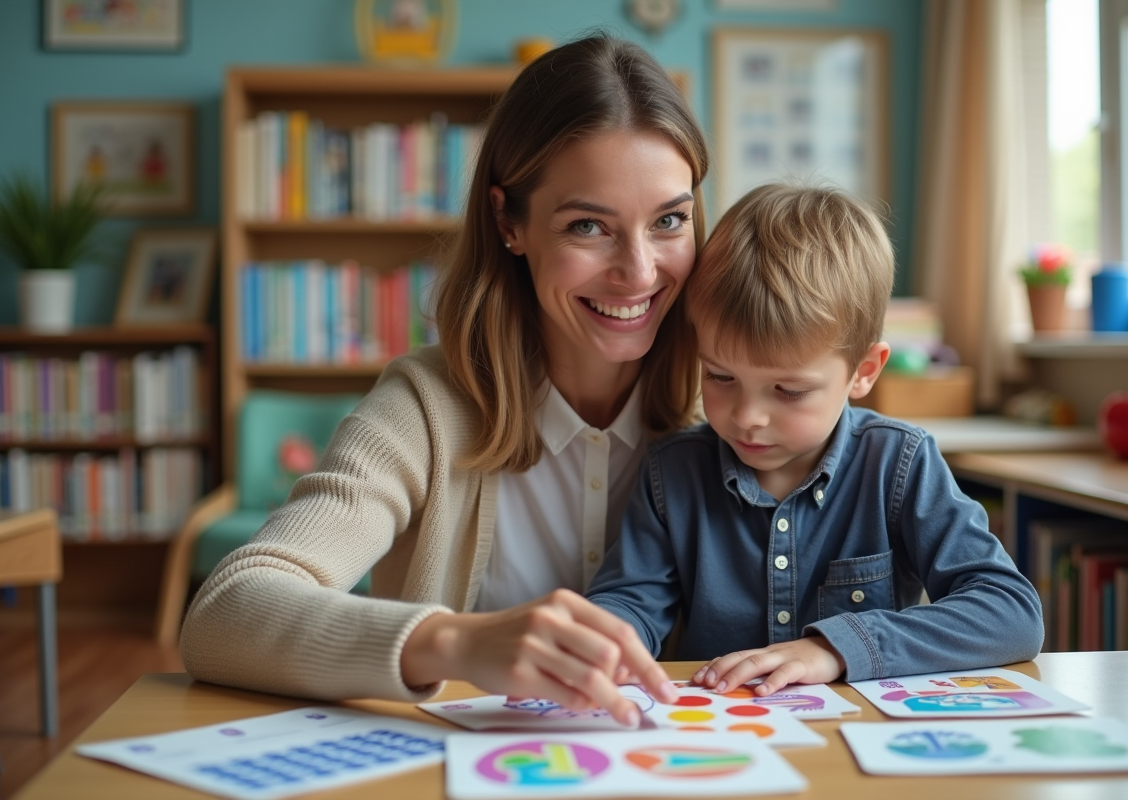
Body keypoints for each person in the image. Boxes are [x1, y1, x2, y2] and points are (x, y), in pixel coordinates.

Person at [181, 34, 709, 725]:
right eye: (589, 226)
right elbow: (224, 613)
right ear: (508, 222)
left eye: (669, 220)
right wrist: (455, 642)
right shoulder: (425, 408)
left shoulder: (735, 401)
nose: (640, 272)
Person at [586, 183, 1043, 696]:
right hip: (730, 742)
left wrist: (835, 647)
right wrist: (601, 646)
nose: (748, 417)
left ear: (864, 371)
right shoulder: (673, 473)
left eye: (789, 390)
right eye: (719, 377)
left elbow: (1011, 613)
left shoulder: (898, 463)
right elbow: (630, 603)